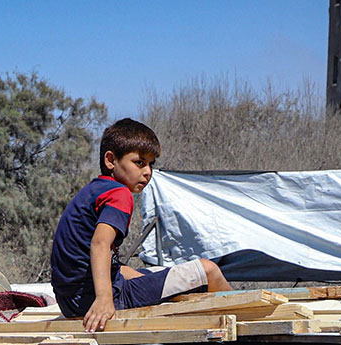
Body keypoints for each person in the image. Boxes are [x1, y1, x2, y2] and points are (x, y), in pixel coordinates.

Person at [50, 117, 230, 333]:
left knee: (144, 273)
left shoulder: (92, 190)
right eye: (140, 162)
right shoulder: (119, 194)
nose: (147, 172)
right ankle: (249, 329)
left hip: (71, 301)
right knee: (208, 270)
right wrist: (104, 300)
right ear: (111, 160)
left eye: (151, 164)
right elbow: (100, 244)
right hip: (96, 300)